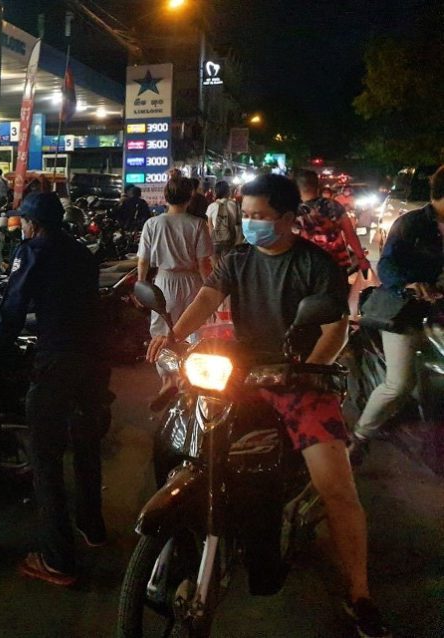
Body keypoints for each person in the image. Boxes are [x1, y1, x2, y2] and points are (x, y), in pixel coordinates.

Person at [146, 174, 391, 638]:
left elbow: (334, 328)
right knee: (176, 431)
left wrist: (311, 370)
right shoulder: (238, 258)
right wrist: (174, 334)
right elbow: (206, 297)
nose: (251, 224)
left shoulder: (316, 264)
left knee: (335, 484)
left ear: (288, 218)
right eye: (247, 215)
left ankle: (360, 593)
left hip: (300, 376)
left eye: (260, 216)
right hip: (241, 371)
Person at [0, 192, 110, 586]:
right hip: (94, 360)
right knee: (87, 444)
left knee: (45, 458)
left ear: (32, 223)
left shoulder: (33, 250)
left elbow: (11, 311)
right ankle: (92, 528)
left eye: (22, 220)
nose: (20, 226)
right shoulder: (79, 250)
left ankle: (57, 560)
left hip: (57, 360)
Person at [353, 165, 444, 458]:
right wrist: (408, 285)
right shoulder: (412, 224)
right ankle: (359, 435)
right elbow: (387, 265)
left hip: (439, 309)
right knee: (399, 383)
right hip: (405, 309)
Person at [137, 175, 213, 345]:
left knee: (162, 333)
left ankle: (165, 371)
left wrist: (141, 287)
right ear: (190, 197)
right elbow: (204, 264)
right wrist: (211, 291)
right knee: (195, 329)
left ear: (166, 196)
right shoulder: (198, 224)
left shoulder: (152, 224)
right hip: (192, 283)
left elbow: (143, 261)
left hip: (163, 283)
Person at [296, 169, 371, 275]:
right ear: (318, 186)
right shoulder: (334, 206)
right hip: (336, 265)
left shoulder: (294, 212)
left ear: (298, 189)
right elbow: (350, 234)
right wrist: (361, 259)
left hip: (307, 269)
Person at [205, 180, 242, 261]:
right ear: (228, 191)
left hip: (216, 241)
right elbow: (239, 224)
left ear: (216, 192)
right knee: (229, 264)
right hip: (230, 240)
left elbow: (210, 227)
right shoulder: (235, 205)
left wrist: (212, 239)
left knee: (216, 266)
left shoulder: (211, 206)